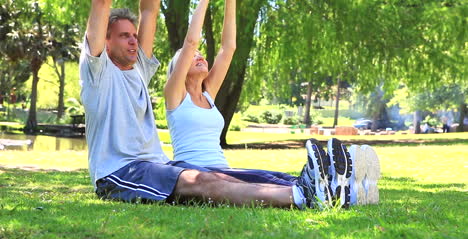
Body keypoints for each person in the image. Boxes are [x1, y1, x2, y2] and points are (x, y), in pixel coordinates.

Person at [79, 0, 338, 210]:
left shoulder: (139, 70)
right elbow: (101, 4)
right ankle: (300, 195)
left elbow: (150, 8)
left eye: (135, 35)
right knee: (201, 181)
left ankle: (316, 187)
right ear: (106, 40)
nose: (134, 41)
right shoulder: (98, 72)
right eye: (124, 36)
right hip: (120, 172)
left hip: (158, 164)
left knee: (219, 176)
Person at [163, 0, 360, 208]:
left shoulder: (208, 94)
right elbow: (191, 41)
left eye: (200, 55)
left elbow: (228, 48)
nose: (199, 55)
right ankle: (323, 189)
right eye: (192, 57)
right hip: (197, 173)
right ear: (179, 69)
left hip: (222, 169)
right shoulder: (175, 94)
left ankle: (338, 185)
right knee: (264, 180)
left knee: (272, 176)